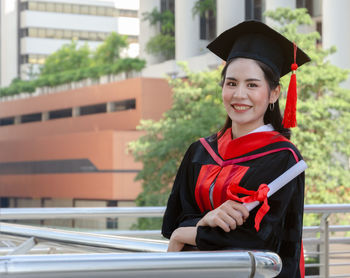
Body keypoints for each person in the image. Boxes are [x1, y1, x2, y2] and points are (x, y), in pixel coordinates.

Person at [161, 20, 311, 278]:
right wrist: (207, 220)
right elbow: (172, 221)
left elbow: (260, 239)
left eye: (252, 85)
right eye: (231, 83)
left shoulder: (284, 159)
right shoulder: (200, 151)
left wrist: (187, 232)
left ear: (274, 93)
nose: (239, 94)